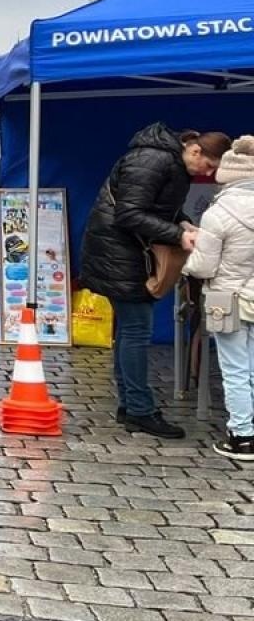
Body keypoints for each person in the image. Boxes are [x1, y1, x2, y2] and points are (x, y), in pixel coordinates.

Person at [81, 125, 229, 438]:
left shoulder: (168, 162)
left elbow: (156, 207)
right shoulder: (154, 160)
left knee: (129, 330)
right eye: (209, 166)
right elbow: (129, 214)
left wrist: (182, 222)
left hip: (122, 253)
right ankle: (140, 410)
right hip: (120, 255)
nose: (209, 174)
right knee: (137, 330)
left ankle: (130, 405)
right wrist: (178, 235)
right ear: (195, 151)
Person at [186, 135, 254, 460]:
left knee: (235, 369)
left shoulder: (218, 213)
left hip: (226, 300)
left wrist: (188, 259)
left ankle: (242, 436)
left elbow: (203, 265)